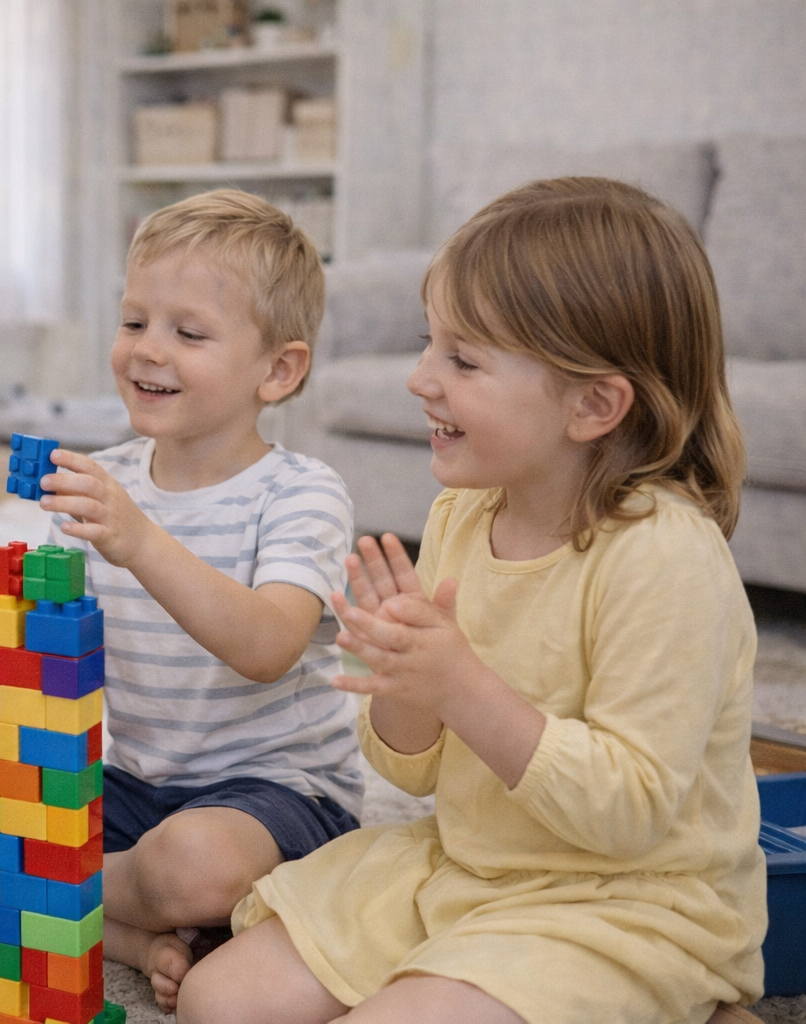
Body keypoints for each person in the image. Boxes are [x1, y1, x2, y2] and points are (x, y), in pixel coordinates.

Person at [175, 177, 768, 1024]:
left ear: (593, 405)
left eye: (463, 360)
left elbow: (631, 813)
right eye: (431, 345)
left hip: (626, 904)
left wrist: (461, 686)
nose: (421, 378)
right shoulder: (461, 512)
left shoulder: (665, 557)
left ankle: (687, 1003)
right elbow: (410, 771)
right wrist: (404, 681)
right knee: (219, 1003)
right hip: (470, 869)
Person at [0, 190, 362, 1012]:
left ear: (278, 371)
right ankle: (134, 935)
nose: (147, 350)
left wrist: (140, 541)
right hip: (133, 782)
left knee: (191, 865)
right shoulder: (105, 482)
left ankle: (83, 896)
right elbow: (59, 657)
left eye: (188, 333)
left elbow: (268, 645)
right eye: (133, 321)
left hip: (272, 792)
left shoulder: (302, 493)